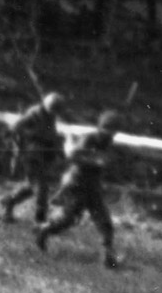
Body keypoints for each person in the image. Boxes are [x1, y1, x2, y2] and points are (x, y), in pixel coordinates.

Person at [37, 110, 124, 269]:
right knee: (68, 219)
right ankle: (44, 230)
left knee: (104, 222)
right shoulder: (89, 138)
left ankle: (108, 256)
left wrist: (105, 167)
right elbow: (72, 155)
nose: (112, 133)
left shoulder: (107, 142)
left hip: (93, 186)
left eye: (114, 130)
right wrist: (94, 161)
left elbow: (105, 161)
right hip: (77, 183)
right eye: (110, 129)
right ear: (102, 127)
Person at [2, 92, 68, 225]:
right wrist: (14, 146)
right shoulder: (34, 113)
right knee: (41, 188)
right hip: (31, 156)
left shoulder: (50, 116)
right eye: (54, 110)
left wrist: (58, 145)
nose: (55, 114)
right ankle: (40, 221)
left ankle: (9, 201)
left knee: (32, 186)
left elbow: (50, 133)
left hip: (43, 155)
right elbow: (14, 128)